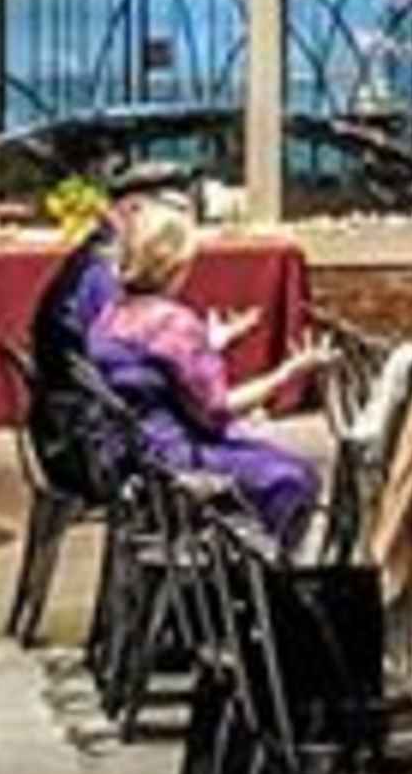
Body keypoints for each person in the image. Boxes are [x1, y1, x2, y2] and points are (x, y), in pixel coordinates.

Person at [90, 191, 328, 547]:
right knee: (294, 478)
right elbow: (216, 411)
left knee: (267, 453)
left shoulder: (111, 315)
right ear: (174, 264)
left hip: (130, 458)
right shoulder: (173, 323)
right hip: (173, 463)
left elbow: (152, 371)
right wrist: (287, 373)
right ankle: (259, 583)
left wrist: (211, 342)